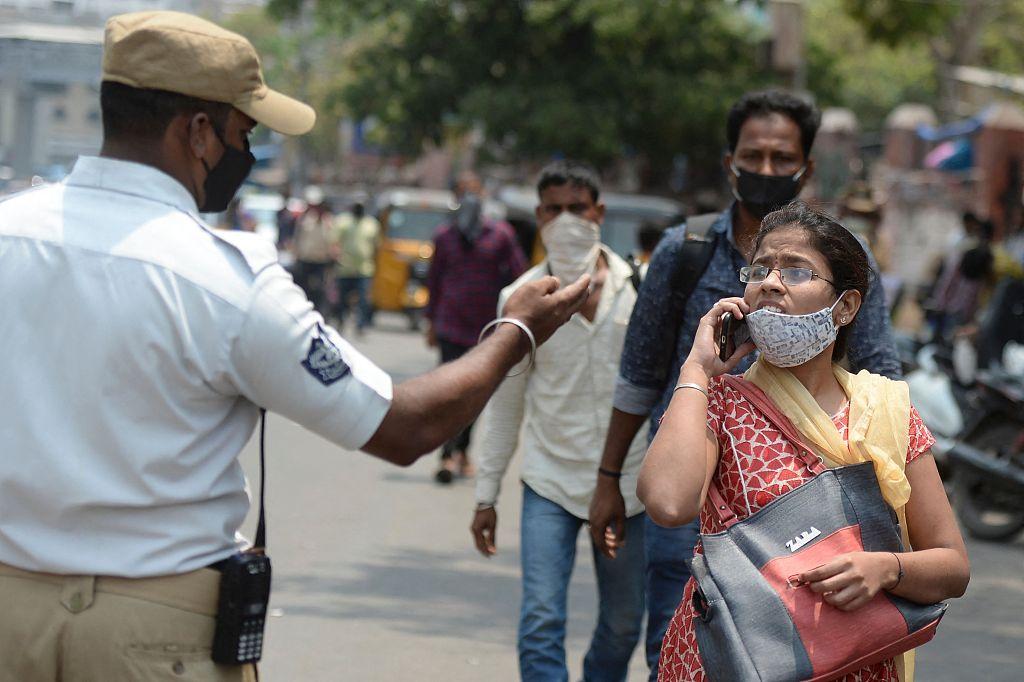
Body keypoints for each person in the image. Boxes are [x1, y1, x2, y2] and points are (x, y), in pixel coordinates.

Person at [0, 11, 589, 681]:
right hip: (154, 633)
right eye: (243, 133)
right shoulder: (223, 281)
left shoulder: (9, 232)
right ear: (197, 131)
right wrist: (516, 332)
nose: (245, 155)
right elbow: (404, 426)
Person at [588, 89, 903, 680]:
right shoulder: (686, 252)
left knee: (793, 656)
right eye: (752, 156)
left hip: (806, 511)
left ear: (806, 167)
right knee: (680, 644)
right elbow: (639, 375)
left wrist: (882, 532)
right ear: (728, 161)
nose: (765, 170)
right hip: (695, 489)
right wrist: (610, 478)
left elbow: (877, 377)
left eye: (781, 159)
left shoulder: (850, 261)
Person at [638, 201, 970, 681]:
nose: (771, 283)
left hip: (851, 661)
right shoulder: (720, 402)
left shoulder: (886, 412)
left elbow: (952, 566)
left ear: (847, 306)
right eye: (760, 270)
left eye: (797, 271)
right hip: (736, 659)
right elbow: (668, 503)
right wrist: (695, 370)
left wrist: (885, 569)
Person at [471, 161, 648, 682]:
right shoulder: (519, 300)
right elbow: (506, 404)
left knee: (622, 623)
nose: (567, 220)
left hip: (629, 486)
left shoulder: (638, 290)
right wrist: (486, 494)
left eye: (578, 208)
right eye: (555, 210)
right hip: (549, 481)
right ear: (538, 215)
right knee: (541, 617)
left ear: (599, 213)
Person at [426, 170, 528, 483]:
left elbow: (518, 276)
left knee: (475, 393)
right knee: (447, 392)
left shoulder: (500, 235)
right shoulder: (444, 236)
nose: (468, 196)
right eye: (462, 191)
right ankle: (446, 455)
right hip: (450, 324)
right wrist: (430, 321)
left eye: (473, 190)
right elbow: (434, 281)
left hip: (486, 329)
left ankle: (462, 449)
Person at [333, 197, 380, 335]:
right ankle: (340, 321)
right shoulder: (343, 222)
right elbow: (335, 242)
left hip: (364, 268)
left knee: (363, 300)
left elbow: (376, 246)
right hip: (345, 268)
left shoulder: (372, 224)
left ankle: (360, 325)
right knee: (342, 299)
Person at [292, 185, 334, 312]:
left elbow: (331, 240)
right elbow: (298, 237)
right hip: (305, 259)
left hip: (321, 261)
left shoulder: (328, 220)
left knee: (319, 290)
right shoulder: (304, 219)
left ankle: (319, 313)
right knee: (302, 288)